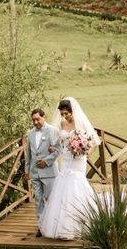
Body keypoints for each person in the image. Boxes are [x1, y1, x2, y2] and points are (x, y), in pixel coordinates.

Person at [39, 97, 102, 240]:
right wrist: (54, 146)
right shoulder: (62, 123)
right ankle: (60, 224)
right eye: (62, 114)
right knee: (63, 184)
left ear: (73, 111)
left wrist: (84, 151)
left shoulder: (80, 122)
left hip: (79, 159)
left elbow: (94, 142)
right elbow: (60, 140)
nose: (64, 116)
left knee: (76, 183)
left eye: (67, 113)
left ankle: (81, 221)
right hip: (66, 158)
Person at [25, 108, 60, 236]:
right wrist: (27, 170)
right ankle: (41, 226)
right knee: (38, 200)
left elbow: (58, 150)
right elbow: (28, 153)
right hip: (35, 173)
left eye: (37, 119)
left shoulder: (53, 131)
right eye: (33, 120)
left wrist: (46, 161)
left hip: (49, 172)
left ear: (44, 117)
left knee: (50, 200)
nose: (35, 122)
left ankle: (53, 225)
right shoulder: (30, 134)